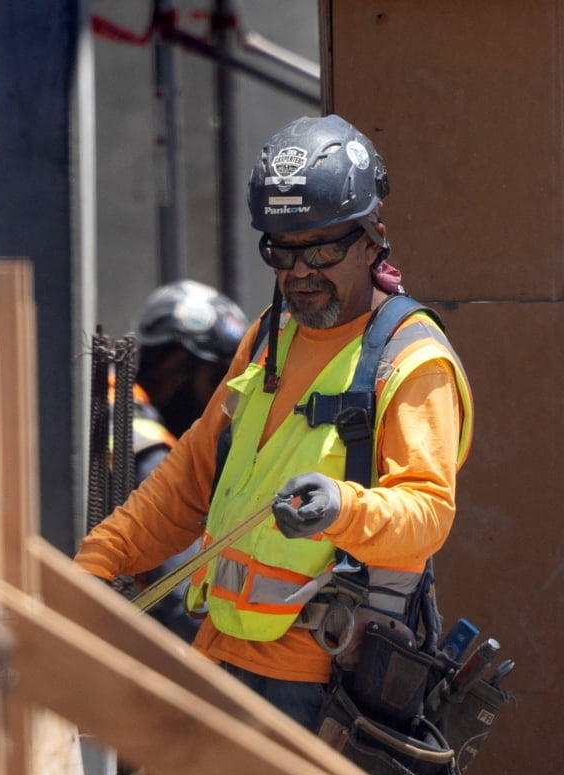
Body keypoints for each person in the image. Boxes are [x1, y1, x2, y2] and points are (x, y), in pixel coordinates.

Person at [75, 114, 474, 733]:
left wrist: (341, 507)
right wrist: (99, 563)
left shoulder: (411, 360)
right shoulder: (270, 338)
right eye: (281, 252)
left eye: (321, 250)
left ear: (373, 239)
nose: (300, 273)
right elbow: (190, 477)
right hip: (217, 656)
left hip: (319, 687)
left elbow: (426, 514)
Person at [120, 281, 247, 642]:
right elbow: (185, 597)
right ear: (178, 364)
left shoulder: (115, 407)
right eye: (218, 380)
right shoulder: (143, 443)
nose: (224, 404)